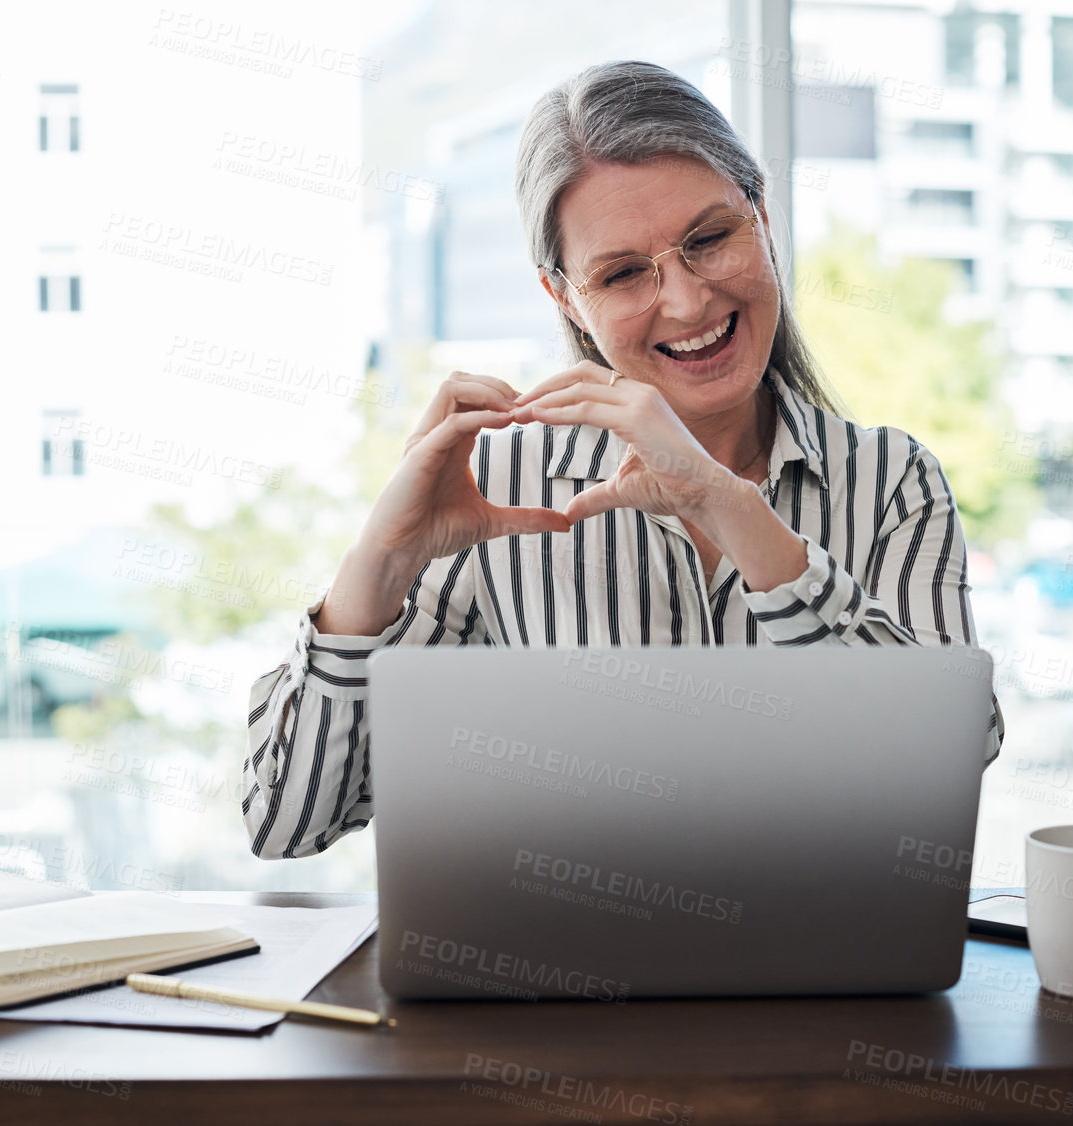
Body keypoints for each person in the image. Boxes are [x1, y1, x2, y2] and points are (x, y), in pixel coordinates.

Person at [242, 60, 1003, 861]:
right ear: (565, 297)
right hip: (562, 977)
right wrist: (377, 569)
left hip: (836, 982)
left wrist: (735, 513)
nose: (686, 300)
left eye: (709, 240)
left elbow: (949, 761)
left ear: (763, 218)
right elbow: (288, 824)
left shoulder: (891, 484)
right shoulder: (499, 487)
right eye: (623, 274)